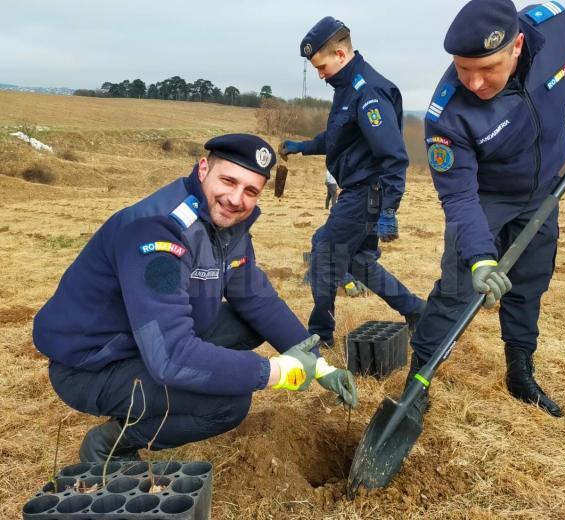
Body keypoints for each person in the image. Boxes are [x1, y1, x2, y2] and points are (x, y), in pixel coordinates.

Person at [32, 134, 358, 462]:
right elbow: (170, 356)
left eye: (250, 191)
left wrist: (318, 365)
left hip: (143, 337)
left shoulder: (227, 226)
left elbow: (258, 299)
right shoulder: (158, 231)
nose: (235, 199)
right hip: (94, 364)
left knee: (250, 323)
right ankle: (113, 443)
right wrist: (274, 372)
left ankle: (191, 378)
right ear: (203, 169)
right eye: (228, 181)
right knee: (229, 403)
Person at [410, 0, 565, 419]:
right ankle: (417, 380)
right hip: (485, 199)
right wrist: (481, 257)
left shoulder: (555, 27)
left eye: (487, 68)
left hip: (543, 190)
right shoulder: (447, 116)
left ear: (517, 45)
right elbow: (459, 198)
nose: (475, 83)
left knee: (530, 282)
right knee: (458, 289)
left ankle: (520, 372)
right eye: (463, 69)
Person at [279, 16, 425, 347]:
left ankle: (320, 334)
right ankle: (415, 310)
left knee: (324, 250)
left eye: (322, 65)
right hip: (359, 191)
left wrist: (387, 210)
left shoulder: (368, 91)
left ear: (341, 55)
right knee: (357, 262)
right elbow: (337, 137)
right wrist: (301, 147)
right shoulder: (347, 87)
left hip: (366, 193)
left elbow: (394, 157)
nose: (319, 74)